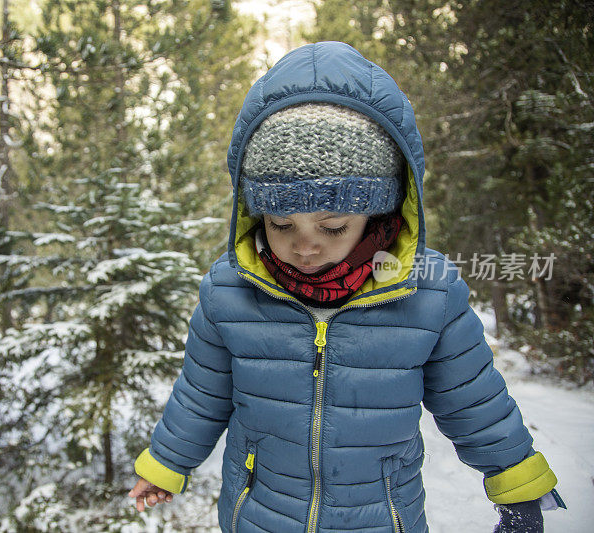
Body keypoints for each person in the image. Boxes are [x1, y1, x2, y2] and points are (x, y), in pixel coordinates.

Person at [127, 41, 565, 532]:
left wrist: (518, 486)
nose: (304, 246)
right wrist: (167, 463)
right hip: (260, 517)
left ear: (377, 212)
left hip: (380, 519)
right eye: (281, 223)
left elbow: (473, 397)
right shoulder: (229, 291)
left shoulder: (427, 292)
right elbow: (201, 394)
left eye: (332, 226)